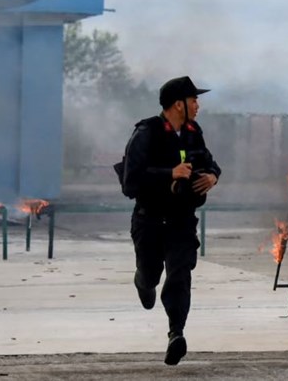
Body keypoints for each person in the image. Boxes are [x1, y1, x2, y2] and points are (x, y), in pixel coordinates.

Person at [121, 76, 222, 366]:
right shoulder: (146, 133)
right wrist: (169, 174)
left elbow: (208, 161)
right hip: (149, 221)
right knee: (151, 273)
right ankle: (143, 282)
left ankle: (176, 333)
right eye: (193, 100)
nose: (198, 105)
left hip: (181, 221)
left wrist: (213, 175)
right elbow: (130, 183)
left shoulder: (193, 131)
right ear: (179, 104)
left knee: (180, 276)